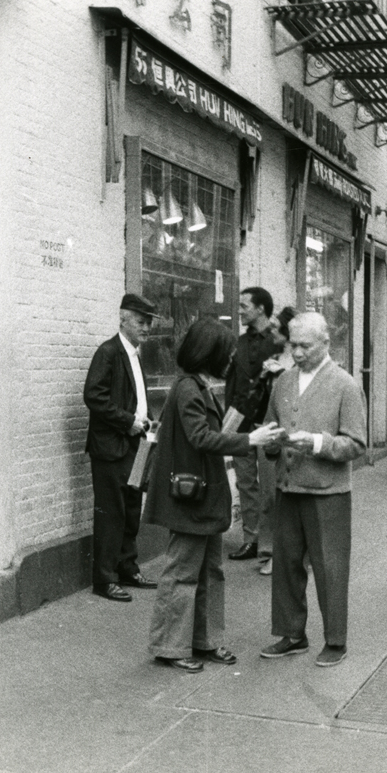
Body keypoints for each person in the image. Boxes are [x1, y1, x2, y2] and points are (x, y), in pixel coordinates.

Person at [144, 319, 284, 673]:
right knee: (183, 572)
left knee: (209, 572)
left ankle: (205, 641)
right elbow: (201, 438)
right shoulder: (189, 390)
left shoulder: (198, 387)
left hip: (200, 495)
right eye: (228, 353)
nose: (231, 359)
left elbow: (211, 433)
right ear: (211, 353)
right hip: (191, 497)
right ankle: (170, 647)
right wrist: (249, 441)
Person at [260, 312, 367, 667]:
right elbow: (268, 427)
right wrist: (271, 442)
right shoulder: (283, 382)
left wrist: (320, 444)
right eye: (293, 345)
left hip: (328, 492)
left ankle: (336, 640)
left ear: (325, 344)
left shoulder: (346, 385)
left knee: (330, 567)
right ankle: (292, 634)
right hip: (288, 487)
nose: (298, 352)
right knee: (286, 564)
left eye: (305, 346)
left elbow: (356, 444)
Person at [83, 293, 161, 602]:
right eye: (141, 322)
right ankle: (104, 579)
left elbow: (137, 397)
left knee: (131, 508)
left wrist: (149, 424)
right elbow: (94, 396)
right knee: (111, 513)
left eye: (149, 323)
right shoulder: (109, 352)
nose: (147, 329)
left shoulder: (133, 353)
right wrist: (128, 421)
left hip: (136, 445)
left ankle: (127, 568)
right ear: (123, 319)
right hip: (112, 447)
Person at [225, 287, 279, 563]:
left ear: (260, 309)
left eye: (245, 305)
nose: (240, 310)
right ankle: (251, 540)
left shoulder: (280, 341)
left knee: (271, 488)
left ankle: (273, 543)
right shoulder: (239, 343)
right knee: (246, 483)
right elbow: (232, 384)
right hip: (242, 425)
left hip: (270, 426)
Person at [253, 305, 297, 576]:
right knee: (269, 494)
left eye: (276, 331)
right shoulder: (274, 358)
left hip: (292, 435)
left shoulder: (299, 364)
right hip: (270, 430)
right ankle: (269, 551)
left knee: (291, 496)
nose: (272, 335)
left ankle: (291, 552)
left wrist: (280, 373)